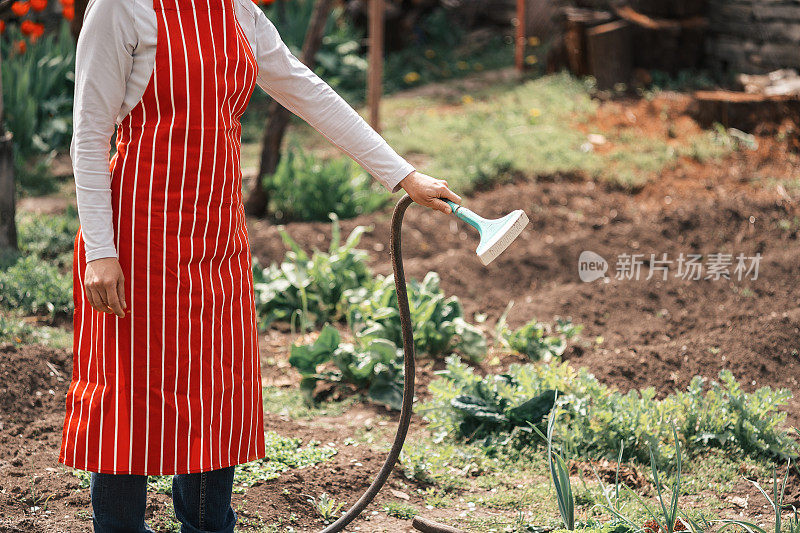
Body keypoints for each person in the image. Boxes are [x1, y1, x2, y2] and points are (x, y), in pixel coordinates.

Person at [61, 0, 462, 531]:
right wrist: (103, 251)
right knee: (128, 397)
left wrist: (403, 175)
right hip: (138, 238)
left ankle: (208, 526)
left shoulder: (235, 9)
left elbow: (306, 90)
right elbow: (89, 135)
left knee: (214, 392)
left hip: (217, 235)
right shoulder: (122, 8)